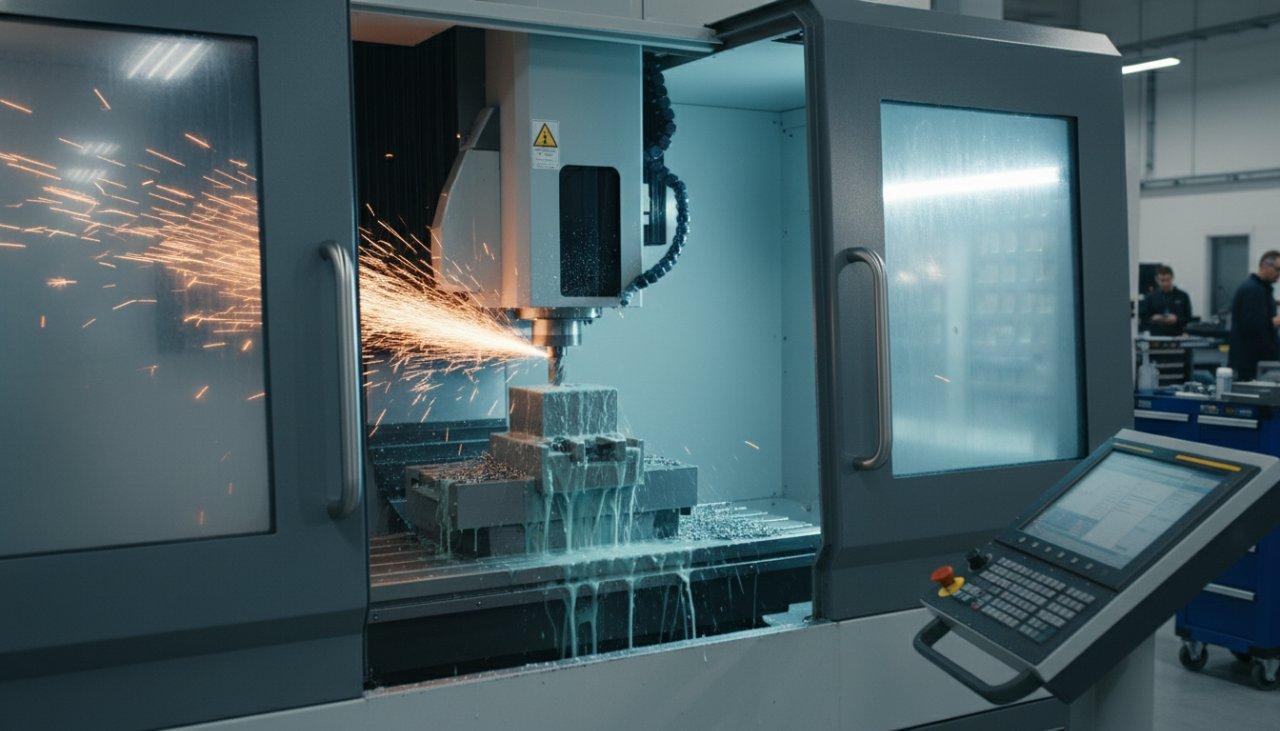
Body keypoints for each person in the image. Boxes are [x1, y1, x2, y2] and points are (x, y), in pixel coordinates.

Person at [1228, 250, 1280, 381]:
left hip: (1258, 361)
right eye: (1277, 269)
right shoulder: (1253, 290)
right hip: (1249, 364)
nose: (1279, 274)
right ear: (1264, 266)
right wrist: (1276, 321)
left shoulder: (1261, 289)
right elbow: (1252, 326)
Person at [1139, 265, 1192, 336]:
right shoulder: (1150, 297)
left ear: (1172, 278)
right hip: (1156, 336)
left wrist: (1177, 319)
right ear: (1157, 280)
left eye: (1168, 280)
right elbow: (1143, 319)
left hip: (1177, 336)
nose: (1165, 284)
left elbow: (1188, 318)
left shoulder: (1183, 296)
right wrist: (1153, 319)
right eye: (1162, 280)